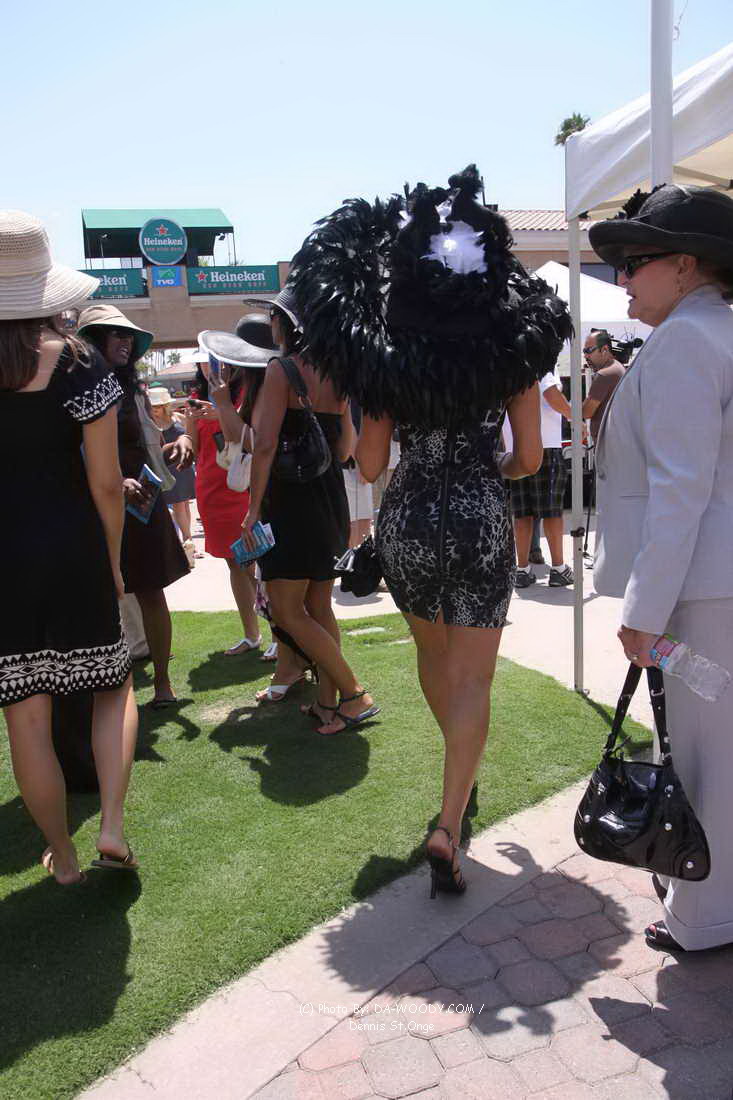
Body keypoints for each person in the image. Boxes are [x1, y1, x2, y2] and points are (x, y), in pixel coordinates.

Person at [286, 166, 570, 892]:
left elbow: (370, 464)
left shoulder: (390, 361)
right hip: (479, 516)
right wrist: (489, 469)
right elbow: (528, 459)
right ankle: (449, 818)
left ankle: (456, 780)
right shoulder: (511, 353)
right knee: (473, 676)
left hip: (408, 518)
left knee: (431, 655)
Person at [589, 183, 733, 952]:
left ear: (685, 265)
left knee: (705, 757)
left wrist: (642, 613)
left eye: (634, 261)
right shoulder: (715, 331)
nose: (622, 279)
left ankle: (703, 917)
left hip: (700, 596)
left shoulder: (684, 342)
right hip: (712, 587)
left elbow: (680, 492)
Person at [0, 210, 137, 884]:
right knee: (113, 686)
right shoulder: (79, 361)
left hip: (6, 561)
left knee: (26, 719)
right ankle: (110, 823)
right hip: (74, 547)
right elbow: (107, 483)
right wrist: (112, 561)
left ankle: (62, 854)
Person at [239, 288, 378, 733]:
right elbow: (345, 449)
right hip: (330, 501)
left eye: (275, 317)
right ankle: (327, 703)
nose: (271, 325)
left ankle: (354, 694)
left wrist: (252, 510)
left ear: (287, 323)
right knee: (318, 606)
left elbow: (264, 445)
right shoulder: (338, 373)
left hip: (291, 505)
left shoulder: (281, 369)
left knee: (287, 610)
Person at [77, 304, 191, 707]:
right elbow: (66, 453)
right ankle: (106, 685)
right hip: (94, 506)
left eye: (129, 336)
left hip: (143, 504)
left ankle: (162, 683)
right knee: (100, 597)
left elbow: (146, 447)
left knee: (151, 592)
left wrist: (180, 442)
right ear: (92, 341)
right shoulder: (74, 390)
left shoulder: (132, 391)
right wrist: (111, 481)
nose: (126, 341)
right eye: (116, 334)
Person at [184, 340, 262, 655]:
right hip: (211, 489)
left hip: (243, 487)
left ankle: (280, 634)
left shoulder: (249, 393)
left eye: (216, 361)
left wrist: (220, 412)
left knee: (256, 563)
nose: (213, 367)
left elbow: (251, 438)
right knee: (234, 564)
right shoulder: (196, 398)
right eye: (206, 362)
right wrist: (186, 433)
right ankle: (251, 634)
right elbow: (194, 448)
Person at [510, 370, 574, 588]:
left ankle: (522, 569)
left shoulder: (511, 363)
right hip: (545, 446)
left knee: (522, 513)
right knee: (552, 511)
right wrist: (575, 417)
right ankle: (559, 568)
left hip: (517, 446)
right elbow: (550, 393)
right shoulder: (543, 365)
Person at [148, 386, 198, 567]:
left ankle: (188, 541)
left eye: (158, 406)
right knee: (177, 505)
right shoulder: (150, 422)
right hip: (167, 467)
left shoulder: (178, 418)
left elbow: (191, 435)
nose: (155, 409)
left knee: (184, 504)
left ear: (165, 406)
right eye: (152, 406)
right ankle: (186, 542)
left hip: (183, 466)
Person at [581, 329, 625, 445]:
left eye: (589, 350)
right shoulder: (616, 367)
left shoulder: (604, 374)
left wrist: (570, 408)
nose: (585, 355)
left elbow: (586, 412)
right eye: (584, 351)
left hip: (610, 446)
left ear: (604, 349)